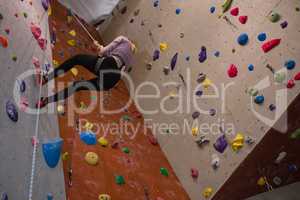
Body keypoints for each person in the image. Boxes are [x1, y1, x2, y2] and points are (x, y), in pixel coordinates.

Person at [36, 36, 136, 108]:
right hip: (111, 81)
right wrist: (100, 48)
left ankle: (45, 78)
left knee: (77, 59)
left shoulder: (123, 39)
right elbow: (116, 65)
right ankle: (45, 101)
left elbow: (103, 53)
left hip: (107, 65)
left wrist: (100, 47)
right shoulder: (131, 59)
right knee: (77, 86)